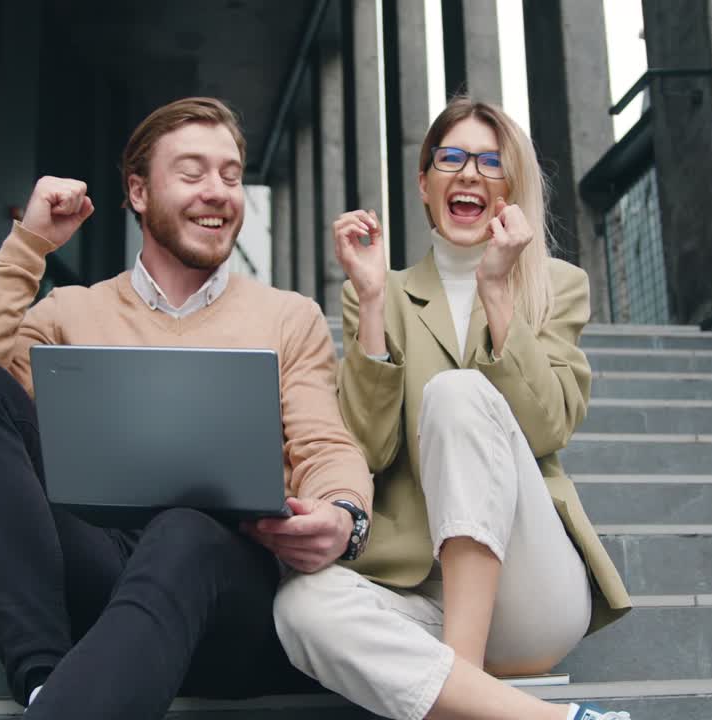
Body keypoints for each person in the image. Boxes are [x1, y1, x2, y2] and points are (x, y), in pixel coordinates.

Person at [0, 97, 373, 720]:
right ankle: (48, 686)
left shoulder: (287, 317)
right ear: (138, 191)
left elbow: (324, 444)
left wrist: (343, 515)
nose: (217, 192)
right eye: (192, 174)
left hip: (227, 599)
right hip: (98, 576)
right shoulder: (67, 313)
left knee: (185, 528)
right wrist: (28, 247)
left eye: (232, 176)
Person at [265, 98, 634, 720]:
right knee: (300, 608)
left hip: (528, 592)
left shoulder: (558, 286)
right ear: (424, 182)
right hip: (417, 588)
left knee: (458, 392)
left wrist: (496, 289)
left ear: (510, 188)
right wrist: (374, 302)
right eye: (452, 158)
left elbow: (547, 428)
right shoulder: (383, 294)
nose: (469, 173)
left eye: (490, 162)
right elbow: (366, 451)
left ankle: (455, 678)